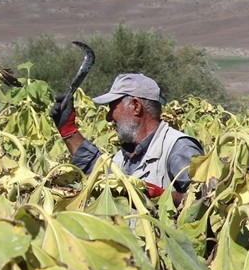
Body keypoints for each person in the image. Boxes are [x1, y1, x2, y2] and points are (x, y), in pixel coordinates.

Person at [50, 73, 203, 201]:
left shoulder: (178, 148)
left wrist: (161, 197)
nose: (108, 117)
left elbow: (202, 201)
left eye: (112, 108)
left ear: (136, 106)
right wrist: (68, 130)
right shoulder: (123, 157)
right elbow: (96, 170)